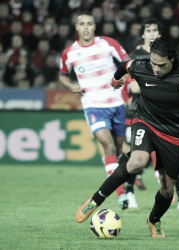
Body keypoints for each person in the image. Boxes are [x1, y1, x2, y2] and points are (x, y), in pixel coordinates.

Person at [75, 37, 179, 238]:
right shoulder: (140, 66)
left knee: (167, 190)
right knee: (137, 162)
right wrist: (115, 80)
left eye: (161, 65)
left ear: (173, 59)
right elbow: (123, 66)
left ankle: (154, 220)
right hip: (145, 121)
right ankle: (96, 199)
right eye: (153, 63)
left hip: (172, 133)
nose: (156, 69)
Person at [122, 17, 179, 210]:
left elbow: (178, 85)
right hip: (142, 112)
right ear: (143, 34)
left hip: (166, 115)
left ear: (159, 34)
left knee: (173, 158)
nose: (152, 33)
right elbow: (132, 86)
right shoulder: (136, 55)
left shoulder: (168, 56)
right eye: (149, 30)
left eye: (155, 30)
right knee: (138, 158)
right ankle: (129, 193)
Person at [59, 12, 130, 210]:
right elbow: (62, 75)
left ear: (94, 26)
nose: (86, 27)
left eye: (89, 23)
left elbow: (127, 62)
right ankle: (121, 195)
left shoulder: (108, 43)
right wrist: (71, 85)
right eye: (82, 24)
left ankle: (114, 171)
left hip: (116, 103)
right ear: (77, 27)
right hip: (92, 105)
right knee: (107, 145)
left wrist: (125, 76)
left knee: (117, 151)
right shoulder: (69, 53)